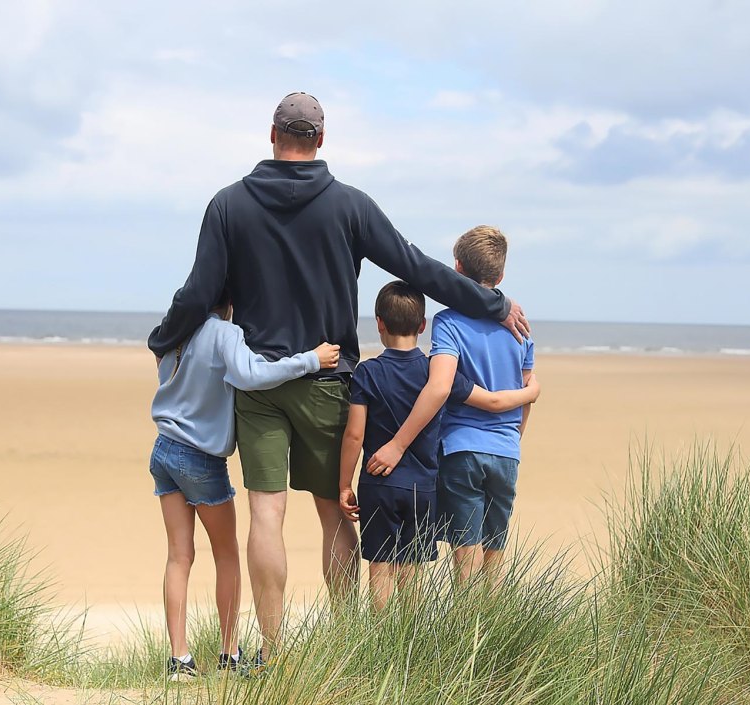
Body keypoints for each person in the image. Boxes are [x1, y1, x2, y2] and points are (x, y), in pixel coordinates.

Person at [147, 92, 530, 665]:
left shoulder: (228, 205)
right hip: (331, 381)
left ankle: (272, 655)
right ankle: (349, 648)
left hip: (260, 387)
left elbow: (200, 294)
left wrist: (163, 338)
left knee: (266, 514)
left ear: (272, 134)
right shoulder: (349, 205)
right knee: (333, 510)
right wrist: (490, 303)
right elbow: (416, 266)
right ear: (321, 140)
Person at [148, 288, 340, 679]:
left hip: (163, 450)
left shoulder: (173, 333)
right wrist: (309, 360)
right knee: (227, 555)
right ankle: (229, 654)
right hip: (200, 457)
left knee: (178, 556)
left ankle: (179, 660)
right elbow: (251, 374)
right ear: (231, 301)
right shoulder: (224, 333)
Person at [338, 281, 540, 609]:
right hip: (424, 486)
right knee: (412, 570)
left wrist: (344, 483)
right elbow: (489, 400)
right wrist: (530, 393)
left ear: (379, 323)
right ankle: (410, 641)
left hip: (379, 483)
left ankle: (380, 643)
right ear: (422, 325)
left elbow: (354, 435)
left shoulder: (367, 372)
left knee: (380, 567)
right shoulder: (436, 373)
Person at [364, 226, 534, 585]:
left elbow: (440, 387)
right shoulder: (520, 328)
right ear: (501, 275)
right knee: (494, 559)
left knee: (466, 564)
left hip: (461, 451)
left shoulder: (449, 322)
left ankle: (464, 637)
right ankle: (492, 635)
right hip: (506, 452)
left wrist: (397, 445)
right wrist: (513, 438)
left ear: (455, 270)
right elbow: (526, 391)